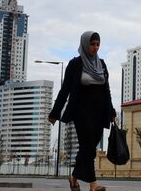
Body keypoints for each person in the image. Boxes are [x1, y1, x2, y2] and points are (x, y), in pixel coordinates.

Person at [49, 31, 116, 191]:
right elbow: (65, 90)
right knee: (87, 146)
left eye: (97, 44)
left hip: (99, 113)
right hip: (81, 111)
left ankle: (74, 177)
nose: (95, 47)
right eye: (92, 44)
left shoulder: (102, 64)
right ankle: (93, 184)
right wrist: (55, 113)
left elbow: (106, 90)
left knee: (89, 148)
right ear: (85, 44)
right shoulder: (75, 64)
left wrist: (111, 111)